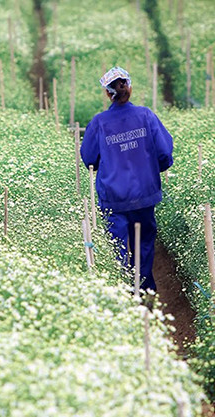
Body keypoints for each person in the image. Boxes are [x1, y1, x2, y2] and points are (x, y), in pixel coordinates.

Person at [80, 66, 173, 292]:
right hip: (144, 193)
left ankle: (123, 291)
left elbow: (89, 159)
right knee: (144, 243)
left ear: (107, 93)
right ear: (129, 87)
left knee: (117, 246)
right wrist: (151, 170)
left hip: (114, 197)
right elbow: (164, 153)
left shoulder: (99, 123)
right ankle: (145, 289)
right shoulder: (146, 116)